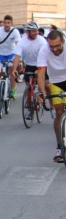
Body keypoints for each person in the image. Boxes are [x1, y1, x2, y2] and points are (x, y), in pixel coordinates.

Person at [37, 30, 66, 162]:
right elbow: (41, 73)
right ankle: (60, 147)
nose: (54, 49)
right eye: (52, 46)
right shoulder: (44, 50)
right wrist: (41, 92)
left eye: (57, 46)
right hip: (56, 80)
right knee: (59, 110)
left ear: (63, 42)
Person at [14, 21, 48, 102]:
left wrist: (39, 69)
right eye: (33, 31)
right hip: (29, 65)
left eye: (37, 30)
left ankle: (50, 105)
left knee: (45, 85)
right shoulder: (22, 41)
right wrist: (14, 69)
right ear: (27, 32)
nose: (36, 32)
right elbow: (17, 56)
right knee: (29, 88)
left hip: (41, 65)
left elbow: (46, 56)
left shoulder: (42, 41)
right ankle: (29, 107)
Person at [0, 15, 21, 99]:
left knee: (12, 71)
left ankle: (12, 90)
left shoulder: (15, 31)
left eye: (8, 23)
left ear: (12, 23)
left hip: (11, 53)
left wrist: (19, 57)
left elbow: (18, 45)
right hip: (0, 54)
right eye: (5, 22)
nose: (6, 24)